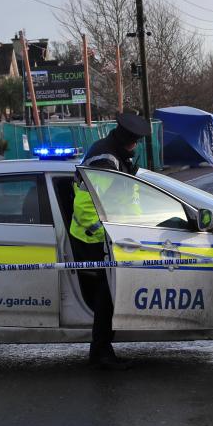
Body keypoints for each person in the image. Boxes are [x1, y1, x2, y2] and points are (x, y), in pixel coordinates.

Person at [69, 112, 151, 370]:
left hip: (115, 238)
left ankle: (105, 350)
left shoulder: (117, 156)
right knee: (108, 295)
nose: (136, 145)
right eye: (135, 141)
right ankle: (100, 353)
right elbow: (84, 207)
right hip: (95, 239)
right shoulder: (105, 161)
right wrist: (107, 236)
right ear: (128, 140)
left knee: (113, 294)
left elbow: (128, 198)